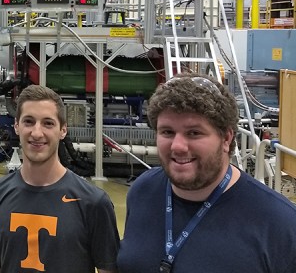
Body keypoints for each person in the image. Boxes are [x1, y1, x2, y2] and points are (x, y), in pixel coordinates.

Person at [117, 73, 296, 273]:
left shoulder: (279, 224)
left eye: (194, 133)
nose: (177, 146)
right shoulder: (143, 191)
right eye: (167, 132)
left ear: (226, 138)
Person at [0, 84, 120, 273]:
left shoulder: (93, 202)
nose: (36, 133)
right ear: (16, 126)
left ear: (63, 130)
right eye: (29, 121)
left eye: (48, 123)